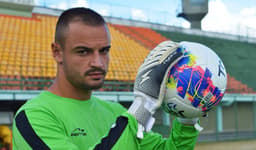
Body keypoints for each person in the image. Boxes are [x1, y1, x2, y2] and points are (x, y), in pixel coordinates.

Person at [12, 7, 199, 149]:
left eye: (104, 51)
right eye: (83, 51)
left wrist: (187, 118)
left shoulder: (115, 112)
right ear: (57, 52)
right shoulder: (33, 116)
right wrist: (144, 103)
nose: (98, 63)